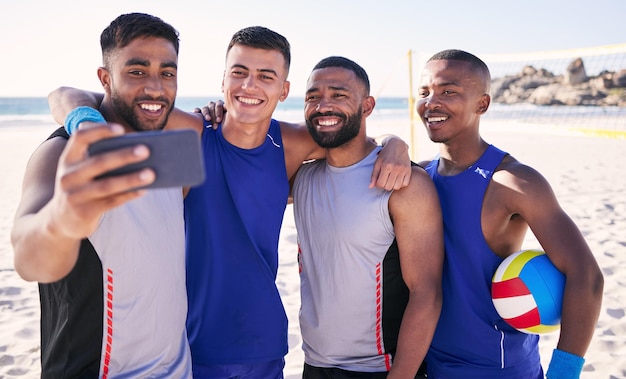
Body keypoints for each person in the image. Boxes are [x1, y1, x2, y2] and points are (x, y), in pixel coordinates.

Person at [47, 26, 412, 378]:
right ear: (222, 81)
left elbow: (349, 136)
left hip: (266, 344)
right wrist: (84, 121)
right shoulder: (190, 136)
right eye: (239, 73)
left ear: (283, 90)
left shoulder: (292, 145)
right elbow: (69, 94)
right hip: (193, 345)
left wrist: (394, 142)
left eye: (266, 76)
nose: (250, 85)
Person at [11, 13, 192, 377]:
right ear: (105, 79)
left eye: (167, 73)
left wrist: (78, 108)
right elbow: (30, 258)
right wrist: (62, 219)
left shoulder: (173, 151)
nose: (155, 87)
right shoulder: (62, 153)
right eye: (137, 71)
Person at [416, 49, 604, 378]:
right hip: (428, 363)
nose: (432, 102)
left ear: (482, 104)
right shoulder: (418, 176)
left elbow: (586, 277)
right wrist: (391, 143)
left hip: (499, 368)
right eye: (424, 92)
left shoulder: (514, 182)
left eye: (449, 91)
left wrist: (563, 373)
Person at [292, 56, 444, 379]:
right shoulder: (300, 178)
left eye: (339, 95)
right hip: (314, 364)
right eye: (313, 97)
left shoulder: (406, 184)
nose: (323, 105)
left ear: (367, 106)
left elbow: (426, 294)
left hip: (379, 368)